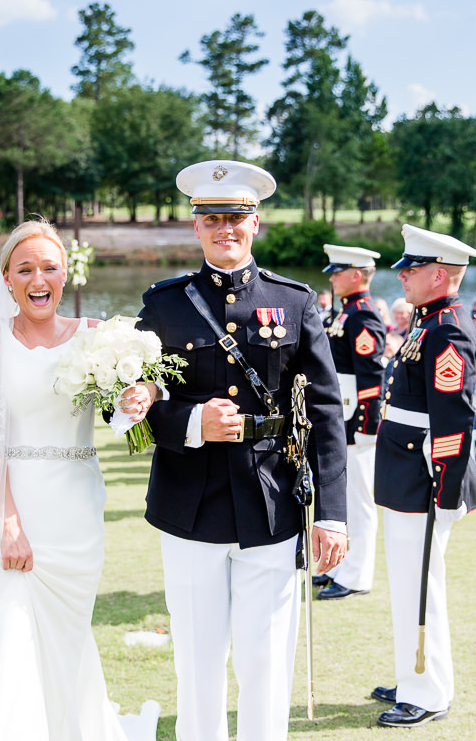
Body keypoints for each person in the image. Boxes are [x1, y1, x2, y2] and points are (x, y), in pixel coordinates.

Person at [135, 160, 347, 741]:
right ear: (195, 226)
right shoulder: (164, 305)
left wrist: (331, 513)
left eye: (236, 216)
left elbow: (327, 413)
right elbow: (127, 402)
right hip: (188, 503)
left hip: (270, 499)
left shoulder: (296, 302)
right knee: (198, 661)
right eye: (212, 218)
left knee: (265, 660)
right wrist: (192, 420)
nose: (224, 227)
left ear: (256, 223)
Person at [0, 219, 156, 740]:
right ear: (7, 278)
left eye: (49, 267)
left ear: (66, 274)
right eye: (24, 268)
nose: (38, 279)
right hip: (12, 504)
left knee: (66, 634)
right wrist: (8, 521)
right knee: (10, 630)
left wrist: (141, 397)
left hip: (76, 510)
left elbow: (133, 399)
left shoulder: (100, 337)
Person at [371, 224, 476, 728]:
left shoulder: (449, 330)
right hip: (405, 470)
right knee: (406, 582)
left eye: (411, 270)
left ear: (439, 275)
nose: (402, 278)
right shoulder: (428, 322)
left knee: (421, 586)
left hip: (424, 475)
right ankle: (412, 673)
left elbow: (453, 420)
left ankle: (429, 691)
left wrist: (445, 489)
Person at [314, 244, 385, 601]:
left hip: (355, 422)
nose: (331, 277)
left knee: (359, 503)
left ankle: (356, 577)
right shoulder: (347, 314)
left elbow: (373, 378)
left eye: (337, 271)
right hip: (341, 417)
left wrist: (364, 427)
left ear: (356, 274)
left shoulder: (363, 316)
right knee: (342, 499)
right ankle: (339, 568)